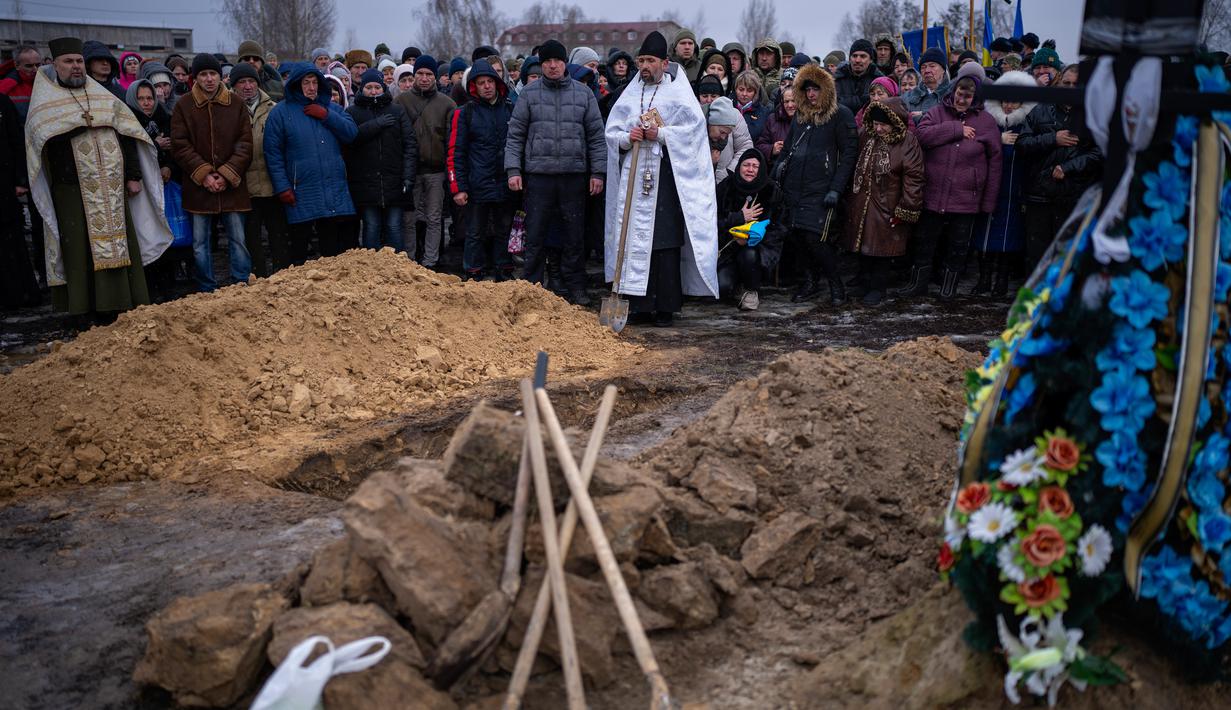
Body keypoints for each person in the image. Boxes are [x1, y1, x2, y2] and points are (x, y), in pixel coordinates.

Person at [24, 37, 172, 316]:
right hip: (71, 189)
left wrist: (132, 175)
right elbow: (38, 142)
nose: (76, 67)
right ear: (55, 65)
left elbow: (129, 136)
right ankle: (84, 308)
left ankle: (123, 300)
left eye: (79, 61)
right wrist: (74, 124)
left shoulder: (106, 98)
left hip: (113, 189)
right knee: (79, 250)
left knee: (120, 244)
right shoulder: (43, 104)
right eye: (69, 62)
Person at [605, 30, 718, 326]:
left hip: (666, 177)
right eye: (641, 60)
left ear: (664, 63)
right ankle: (640, 306)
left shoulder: (680, 93)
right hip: (634, 175)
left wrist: (662, 134)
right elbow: (611, 132)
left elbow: (694, 132)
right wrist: (628, 137)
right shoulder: (629, 94)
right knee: (635, 239)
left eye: (650, 60)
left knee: (664, 240)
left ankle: (665, 306)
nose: (644, 66)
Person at [504, 39, 605, 305]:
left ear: (565, 63)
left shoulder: (583, 95)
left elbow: (596, 137)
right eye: (546, 61)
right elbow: (515, 135)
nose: (551, 65)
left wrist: (598, 173)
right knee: (535, 234)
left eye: (556, 61)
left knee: (574, 236)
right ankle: (533, 287)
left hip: (574, 176)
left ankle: (576, 286)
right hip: (538, 176)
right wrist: (514, 169)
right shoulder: (529, 94)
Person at [894, 63, 1001, 300]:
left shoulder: (986, 122)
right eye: (960, 94)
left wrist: (988, 202)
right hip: (933, 192)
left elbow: (995, 163)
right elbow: (921, 135)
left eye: (968, 96)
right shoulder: (937, 113)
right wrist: (955, 129)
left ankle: (949, 287)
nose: (963, 100)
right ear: (953, 91)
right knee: (924, 241)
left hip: (966, 197)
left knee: (957, 245)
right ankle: (917, 283)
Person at [170, 53, 254, 292]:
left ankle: (240, 282)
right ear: (195, 78)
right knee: (199, 242)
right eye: (203, 74)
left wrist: (226, 174)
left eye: (213, 74)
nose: (209, 79)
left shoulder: (235, 103)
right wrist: (204, 174)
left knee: (238, 239)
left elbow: (245, 143)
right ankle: (206, 287)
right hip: (199, 187)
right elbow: (180, 144)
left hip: (232, 186)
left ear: (220, 76)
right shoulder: (183, 105)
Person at [776, 62, 858, 305]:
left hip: (821, 189)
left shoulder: (840, 114)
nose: (811, 94)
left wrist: (836, 188)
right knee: (798, 237)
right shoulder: (800, 117)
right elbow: (788, 148)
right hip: (794, 188)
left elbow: (849, 155)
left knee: (816, 239)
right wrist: (777, 172)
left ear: (826, 90)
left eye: (816, 89)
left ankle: (836, 286)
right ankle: (810, 282)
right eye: (807, 89)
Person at [264, 64, 357, 261]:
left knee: (330, 249)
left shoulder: (332, 108)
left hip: (331, 188)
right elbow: (273, 154)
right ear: (297, 85)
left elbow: (351, 133)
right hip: (300, 191)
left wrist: (326, 116)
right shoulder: (280, 113)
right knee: (298, 248)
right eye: (306, 82)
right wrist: (282, 187)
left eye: (315, 82)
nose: (311, 87)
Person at [1016, 63, 1102, 269]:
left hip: (1074, 196)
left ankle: (1059, 301)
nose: (1070, 88)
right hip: (1040, 194)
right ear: (1059, 83)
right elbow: (1022, 144)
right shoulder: (1040, 111)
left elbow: (1100, 153)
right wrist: (1052, 138)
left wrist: (1069, 167)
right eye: (1066, 83)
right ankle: (1033, 301)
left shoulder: (1094, 115)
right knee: (1037, 256)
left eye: (1076, 84)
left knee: (1068, 257)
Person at [842, 98, 924, 305]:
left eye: (883, 125)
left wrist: (905, 208)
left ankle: (878, 287)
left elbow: (914, 177)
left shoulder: (907, 141)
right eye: (876, 124)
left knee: (882, 250)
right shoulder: (866, 136)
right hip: (862, 200)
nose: (878, 129)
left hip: (888, 203)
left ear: (894, 123)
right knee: (863, 245)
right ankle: (864, 283)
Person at [448, 59, 515, 280]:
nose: (486, 86)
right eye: (481, 82)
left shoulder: (510, 110)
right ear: (473, 86)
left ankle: (503, 270)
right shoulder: (464, 113)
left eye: (490, 81)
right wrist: (458, 187)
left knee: (504, 230)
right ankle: (473, 272)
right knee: (474, 232)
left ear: (497, 83)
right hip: (477, 184)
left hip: (505, 183)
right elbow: (455, 152)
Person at [973, 70, 1035, 298]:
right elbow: (976, 144)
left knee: (1010, 235)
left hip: (1014, 187)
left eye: (1014, 101)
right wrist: (997, 141)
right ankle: (984, 277)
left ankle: (1001, 279)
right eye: (1005, 100)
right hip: (990, 187)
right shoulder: (990, 122)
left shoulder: (1027, 124)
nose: (1009, 105)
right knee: (984, 233)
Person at [395, 54, 455, 269]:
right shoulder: (401, 101)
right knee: (408, 220)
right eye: (419, 73)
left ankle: (431, 261)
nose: (424, 78)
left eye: (429, 74)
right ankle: (409, 260)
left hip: (436, 171)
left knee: (434, 218)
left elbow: (452, 142)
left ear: (435, 77)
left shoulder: (447, 104)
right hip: (410, 172)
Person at [346, 68, 416, 253]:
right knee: (371, 226)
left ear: (384, 88)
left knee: (394, 226)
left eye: (377, 86)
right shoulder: (353, 112)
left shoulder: (396, 111)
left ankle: (399, 267)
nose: (374, 91)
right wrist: (376, 125)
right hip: (366, 183)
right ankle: (370, 271)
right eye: (369, 87)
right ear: (362, 89)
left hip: (394, 181)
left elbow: (410, 145)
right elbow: (350, 139)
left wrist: (408, 177)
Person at [230, 62, 288, 274]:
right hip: (244, 188)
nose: (247, 86)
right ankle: (258, 276)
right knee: (251, 237)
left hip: (272, 183)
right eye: (242, 82)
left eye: (251, 81)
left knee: (278, 235)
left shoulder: (273, 109)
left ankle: (283, 275)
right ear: (234, 85)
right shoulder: (228, 110)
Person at [715, 148, 782, 311]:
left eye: (755, 166)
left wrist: (752, 238)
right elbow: (712, 222)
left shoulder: (771, 190)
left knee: (749, 253)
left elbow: (779, 227)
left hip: (757, 249)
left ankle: (752, 290)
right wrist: (739, 218)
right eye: (746, 165)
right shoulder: (726, 187)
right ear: (739, 167)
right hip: (727, 248)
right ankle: (738, 285)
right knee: (723, 288)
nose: (750, 170)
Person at [0, 91, 38, 307]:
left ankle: (18, 294)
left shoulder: (3, 102)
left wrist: (20, 179)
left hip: (4, 184)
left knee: (11, 241)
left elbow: (16, 140)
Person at [834, 39, 883, 115]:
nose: (857, 60)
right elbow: (832, 105)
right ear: (850, 58)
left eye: (863, 56)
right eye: (854, 56)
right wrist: (862, 100)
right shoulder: (836, 80)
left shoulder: (879, 81)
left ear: (871, 60)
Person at [903, 48, 949, 122]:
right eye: (923, 67)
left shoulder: (952, 95)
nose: (927, 71)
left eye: (932, 66)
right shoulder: (908, 97)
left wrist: (923, 114)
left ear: (943, 69)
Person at [755, 85, 795, 160]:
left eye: (793, 101)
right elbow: (760, 145)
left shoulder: (808, 120)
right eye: (786, 101)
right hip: (777, 167)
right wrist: (772, 149)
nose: (790, 105)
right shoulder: (773, 119)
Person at [0, 45, 40, 119]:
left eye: (38, 65)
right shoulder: (6, 88)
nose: (35, 69)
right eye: (29, 66)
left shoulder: (49, 82)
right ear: (17, 65)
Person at [732, 71, 770, 143]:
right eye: (741, 89)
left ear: (755, 92)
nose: (744, 94)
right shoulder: (727, 107)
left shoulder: (764, 113)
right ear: (735, 89)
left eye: (749, 90)